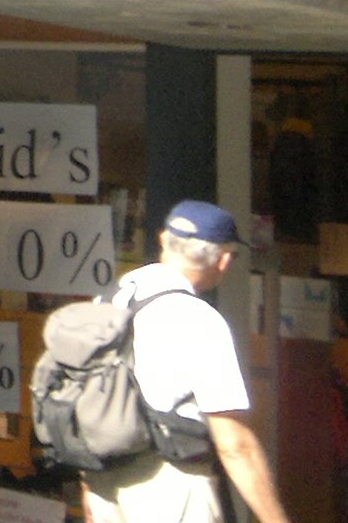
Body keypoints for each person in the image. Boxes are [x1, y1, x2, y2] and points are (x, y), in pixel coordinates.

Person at [80, 201, 294, 523]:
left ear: (164, 240)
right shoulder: (199, 320)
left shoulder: (109, 299)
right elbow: (234, 443)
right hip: (171, 487)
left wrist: (89, 493)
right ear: (223, 259)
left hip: (104, 483)